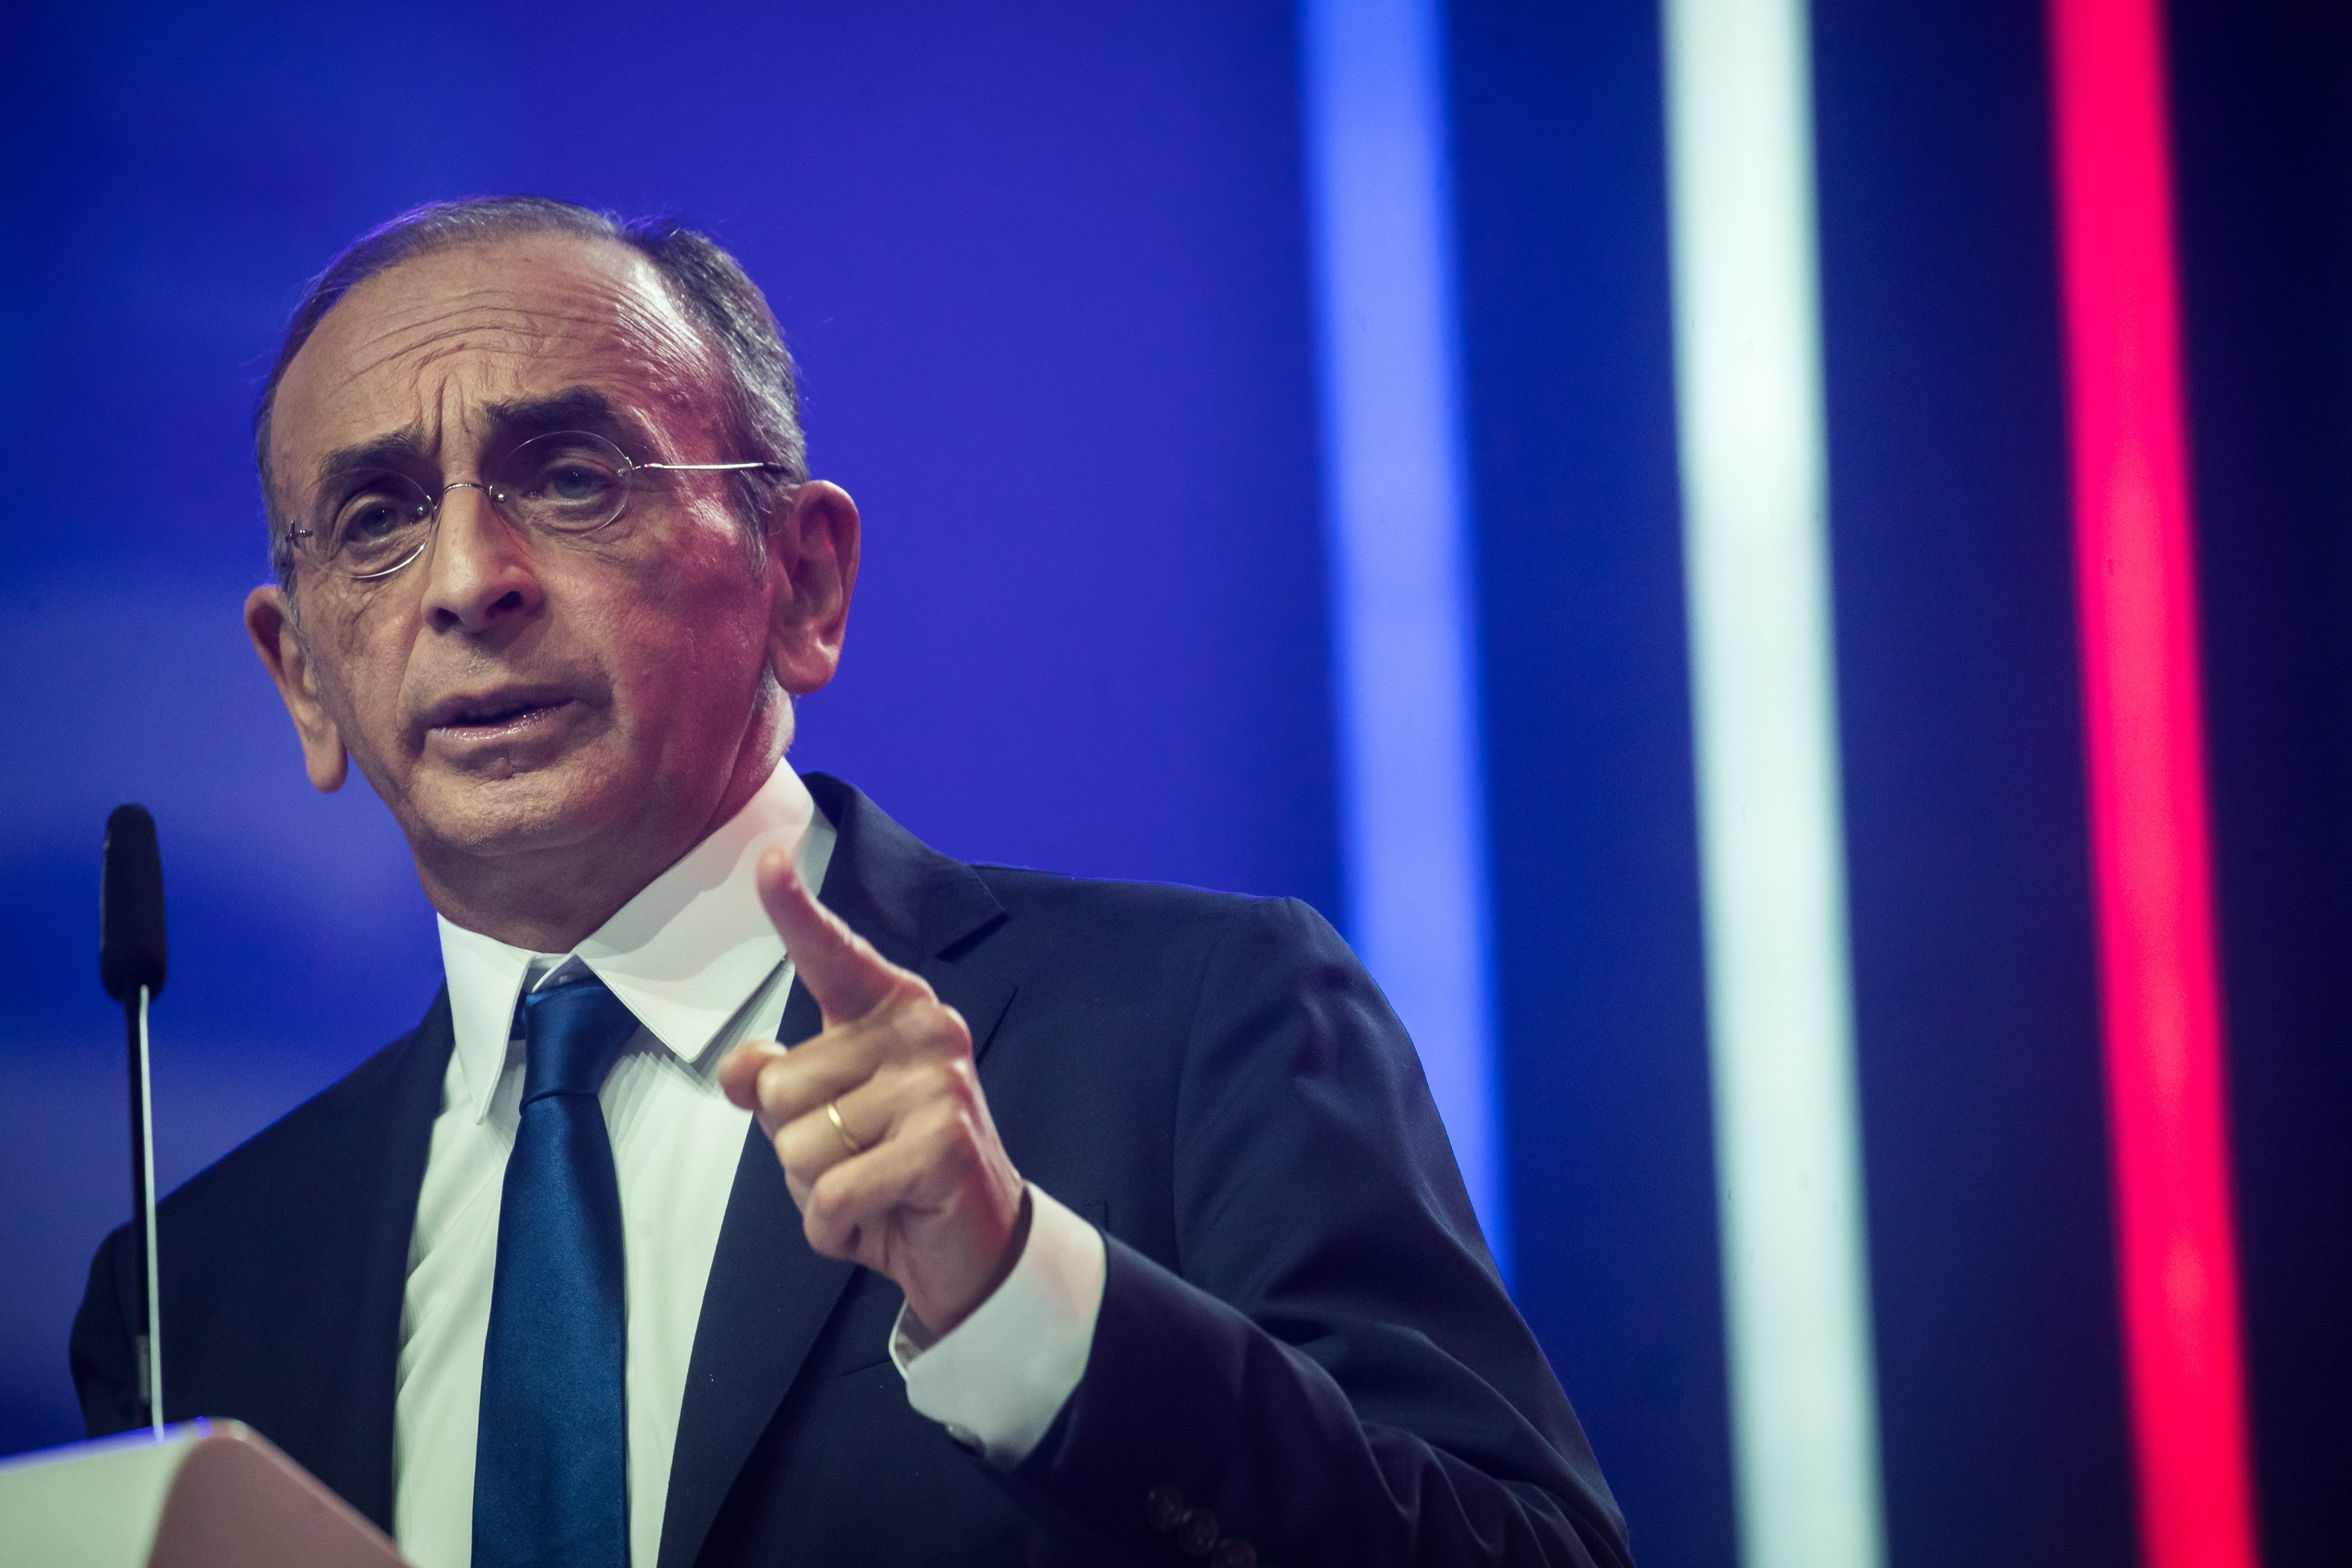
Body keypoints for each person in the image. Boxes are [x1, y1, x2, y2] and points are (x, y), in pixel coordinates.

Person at [71, 196, 1632, 1568]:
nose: (473, 580)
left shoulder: (1200, 1027)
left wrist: (1019, 1289)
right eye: (378, 517)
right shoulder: (192, 1291)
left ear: (801, 582)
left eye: (570, 477)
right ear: (302, 680)